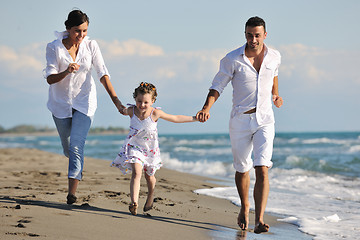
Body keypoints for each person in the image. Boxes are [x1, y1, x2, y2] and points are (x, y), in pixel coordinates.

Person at [196, 16, 283, 234]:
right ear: (245, 34)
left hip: (265, 119)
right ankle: (244, 206)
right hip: (240, 120)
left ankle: (259, 219)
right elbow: (217, 86)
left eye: (257, 35)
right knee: (242, 168)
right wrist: (207, 108)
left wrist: (276, 94)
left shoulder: (274, 56)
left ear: (265, 35)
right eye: (249, 35)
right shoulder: (232, 59)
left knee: (262, 167)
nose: (253, 39)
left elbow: (274, 75)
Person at [43, 10, 125, 205]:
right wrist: (66, 71)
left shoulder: (91, 46)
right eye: (77, 31)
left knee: (76, 145)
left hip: (85, 102)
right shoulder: (54, 48)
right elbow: (49, 78)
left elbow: (103, 73)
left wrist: (116, 100)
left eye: (85, 31)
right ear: (68, 28)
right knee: (68, 148)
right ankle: (76, 165)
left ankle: (71, 194)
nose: (81, 35)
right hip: (60, 104)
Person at [111, 82, 197, 215]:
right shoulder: (132, 111)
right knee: (136, 172)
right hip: (135, 147)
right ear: (135, 99)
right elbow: (121, 109)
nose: (142, 105)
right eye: (139, 101)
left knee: (149, 176)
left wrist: (195, 118)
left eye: (146, 102)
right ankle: (134, 202)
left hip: (150, 150)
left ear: (152, 101)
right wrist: (116, 100)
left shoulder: (155, 113)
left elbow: (175, 118)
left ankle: (150, 194)